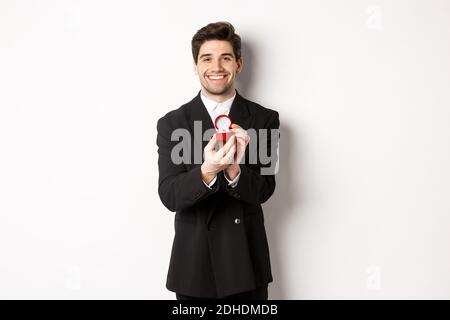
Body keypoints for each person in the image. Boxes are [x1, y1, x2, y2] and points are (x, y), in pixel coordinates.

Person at [156, 21, 280, 300]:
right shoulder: (172, 124)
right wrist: (208, 170)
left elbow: (265, 189)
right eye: (207, 58)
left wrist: (235, 168)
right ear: (195, 66)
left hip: (246, 265)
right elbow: (169, 195)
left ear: (239, 64)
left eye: (225, 58)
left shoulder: (264, 120)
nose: (216, 66)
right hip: (193, 269)